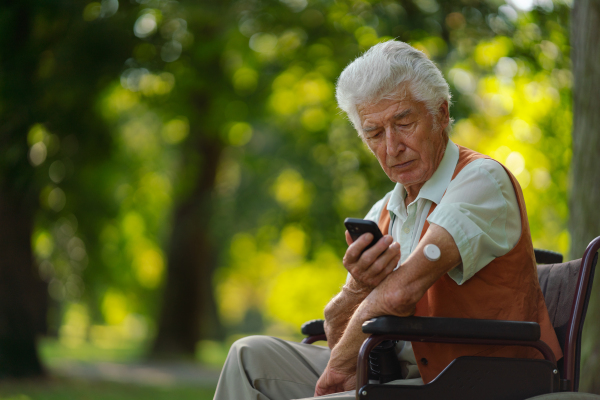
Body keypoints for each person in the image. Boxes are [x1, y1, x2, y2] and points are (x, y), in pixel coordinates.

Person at [213, 40, 562, 400]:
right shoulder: (383, 210)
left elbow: (400, 294)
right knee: (247, 354)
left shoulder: (481, 179)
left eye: (404, 122)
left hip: (466, 379)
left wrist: (341, 367)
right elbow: (338, 331)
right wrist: (357, 286)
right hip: (389, 376)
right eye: (374, 133)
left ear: (441, 115)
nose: (392, 147)